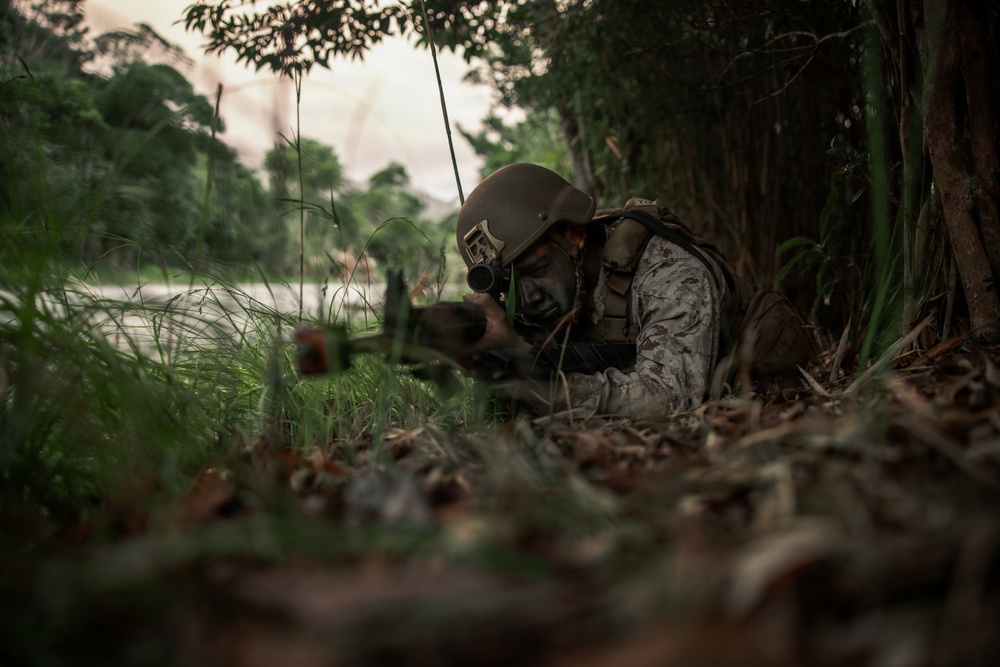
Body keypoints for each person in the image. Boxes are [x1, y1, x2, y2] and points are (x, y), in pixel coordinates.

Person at [454, 163, 812, 419]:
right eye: (512, 284)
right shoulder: (538, 304)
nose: (529, 297)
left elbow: (668, 399)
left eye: (537, 270)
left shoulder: (668, 274)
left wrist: (535, 382)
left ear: (574, 236)